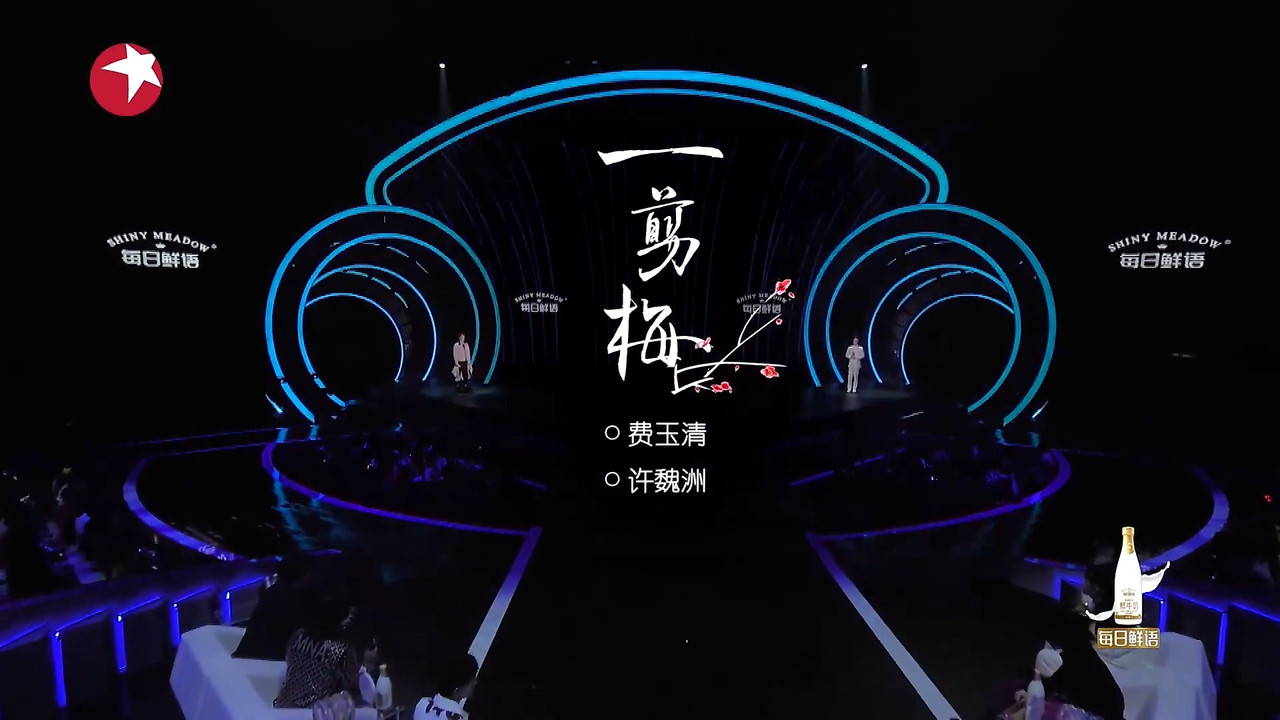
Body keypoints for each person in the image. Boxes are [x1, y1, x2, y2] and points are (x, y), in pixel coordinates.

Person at [274, 589, 361, 709]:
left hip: (283, 706)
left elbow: (290, 663)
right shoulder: (342, 649)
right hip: (314, 712)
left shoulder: (297, 635)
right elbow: (351, 687)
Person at [234, 554, 316, 660]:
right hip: (266, 659)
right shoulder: (292, 600)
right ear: (301, 573)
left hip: (250, 654)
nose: (312, 575)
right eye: (309, 571)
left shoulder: (274, 591)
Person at [414, 653, 478, 720]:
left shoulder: (422, 704)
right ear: (456, 690)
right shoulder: (459, 717)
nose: (475, 682)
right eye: (471, 681)